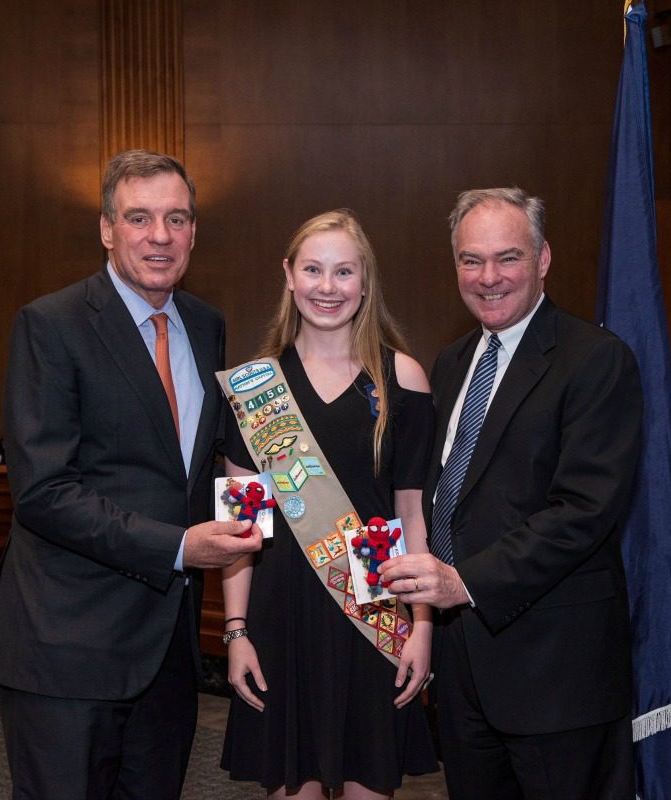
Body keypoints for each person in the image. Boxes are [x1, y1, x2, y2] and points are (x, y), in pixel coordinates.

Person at [0, 149, 263, 800]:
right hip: (68, 647)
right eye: (139, 218)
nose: (160, 236)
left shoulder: (206, 326)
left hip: (168, 653)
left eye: (176, 218)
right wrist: (179, 547)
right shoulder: (50, 325)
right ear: (107, 229)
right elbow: (43, 492)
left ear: (194, 231)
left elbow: (224, 462)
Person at [380, 187, 643, 800]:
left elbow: (583, 512)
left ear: (543, 258)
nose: (489, 277)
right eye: (471, 260)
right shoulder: (452, 362)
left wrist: (464, 582)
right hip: (464, 668)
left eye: (508, 257)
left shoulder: (596, 360)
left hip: (557, 674)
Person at [220, 209, 439, 799]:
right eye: (313, 269)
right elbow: (239, 528)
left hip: (373, 612)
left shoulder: (403, 378)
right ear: (289, 275)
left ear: (365, 281)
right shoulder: (254, 386)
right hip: (280, 618)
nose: (328, 286)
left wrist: (422, 626)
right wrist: (236, 632)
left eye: (344, 271)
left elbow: (413, 515)